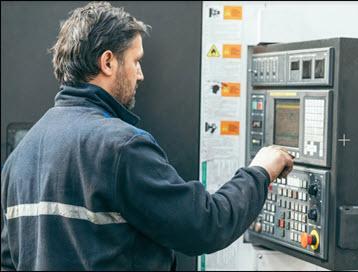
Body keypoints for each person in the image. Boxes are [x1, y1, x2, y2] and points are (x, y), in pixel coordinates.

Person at [1, 2, 294, 270]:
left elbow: (9, 260)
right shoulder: (120, 147)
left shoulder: (19, 157)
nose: (140, 74)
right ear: (108, 62)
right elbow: (204, 226)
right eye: (135, 61)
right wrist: (260, 171)